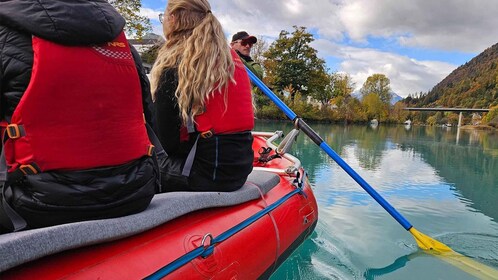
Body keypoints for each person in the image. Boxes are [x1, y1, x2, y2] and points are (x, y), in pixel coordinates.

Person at [0, 0, 159, 233]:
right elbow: (150, 114)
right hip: (136, 191)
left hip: (38, 205)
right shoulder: (123, 43)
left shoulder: (5, 36)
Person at [150, 0, 254, 192]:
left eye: (163, 17)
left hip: (206, 175)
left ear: (173, 19)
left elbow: (167, 143)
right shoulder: (228, 58)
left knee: (135, 167)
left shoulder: (176, 61)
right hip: (240, 168)